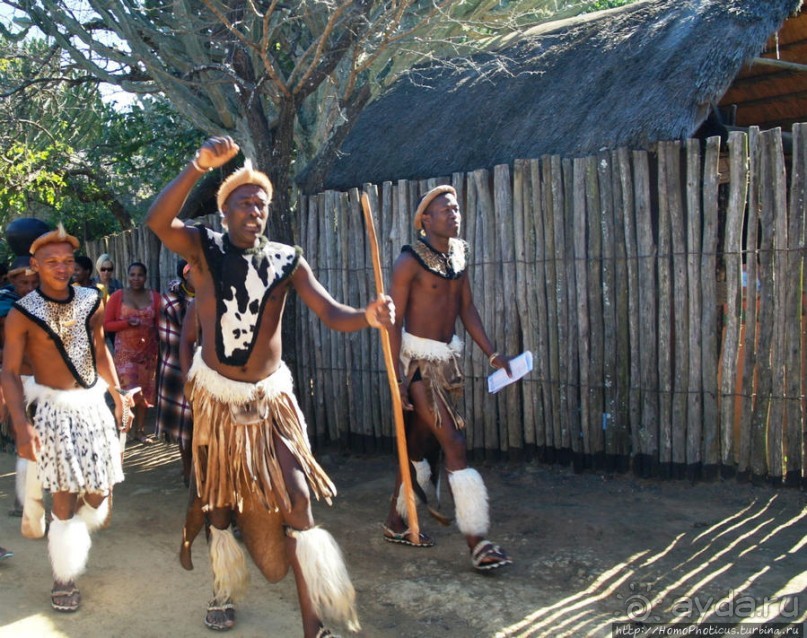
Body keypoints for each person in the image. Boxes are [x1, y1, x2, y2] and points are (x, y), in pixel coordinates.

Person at [146, 136, 394, 637]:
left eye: (262, 203)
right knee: (218, 500)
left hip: (270, 398)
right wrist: (198, 165)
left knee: (298, 499)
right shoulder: (204, 248)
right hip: (216, 396)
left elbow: (330, 312)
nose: (254, 209)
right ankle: (223, 588)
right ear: (225, 211)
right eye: (244, 201)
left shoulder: (287, 260)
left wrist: (367, 315)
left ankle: (315, 625)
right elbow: (158, 221)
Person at [0, 224, 132, 613]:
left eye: (68, 261)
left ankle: (74, 525)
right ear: (35, 266)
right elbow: (8, 371)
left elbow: (98, 349)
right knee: (64, 495)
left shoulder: (92, 299)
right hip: (53, 410)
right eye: (52, 261)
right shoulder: (22, 314)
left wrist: (117, 392)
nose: (62, 267)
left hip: (92, 406)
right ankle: (63, 576)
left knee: (98, 495)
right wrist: (22, 427)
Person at [384, 185, 514, 572]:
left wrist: (491, 352)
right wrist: (397, 376)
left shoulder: (459, 254)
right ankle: (478, 541)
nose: (454, 214)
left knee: (421, 449)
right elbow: (392, 320)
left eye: (456, 208)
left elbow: (466, 307)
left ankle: (395, 522)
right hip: (419, 365)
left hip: (448, 363)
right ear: (425, 220)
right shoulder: (409, 261)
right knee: (454, 443)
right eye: (445, 209)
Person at [103, 261, 160, 444]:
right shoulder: (117, 296)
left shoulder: (155, 297)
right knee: (127, 393)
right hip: (125, 354)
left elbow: (160, 324)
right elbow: (106, 324)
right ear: (127, 276)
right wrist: (126, 323)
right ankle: (123, 429)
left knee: (144, 395)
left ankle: (140, 431)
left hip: (148, 354)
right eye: (132, 275)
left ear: (145, 277)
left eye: (140, 275)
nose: (136, 278)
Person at [0, 255, 39, 519]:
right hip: (16, 378)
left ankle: (25, 501)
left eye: (34, 282)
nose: (29, 288)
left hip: (41, 380)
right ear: (14, 281)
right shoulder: (6, 308)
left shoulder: (45, 306)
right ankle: (24, 502)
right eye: (24, 283)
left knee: (34, 438)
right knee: (24, 437)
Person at [156, 259, 195, 484]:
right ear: (185, 274)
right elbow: (175, 339)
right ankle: (188, 471)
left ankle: (200, 471)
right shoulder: (171, 301)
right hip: (177, 366)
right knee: (185, 424)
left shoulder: (206, 295)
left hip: (204, 365)